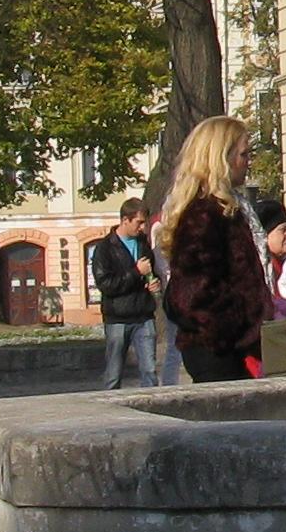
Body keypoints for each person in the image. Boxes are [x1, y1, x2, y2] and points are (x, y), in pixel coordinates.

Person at [159, 116, 270, 381]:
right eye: (244, 154)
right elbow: (194, 294)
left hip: (234, 347)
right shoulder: (204, 214)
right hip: (219, 352)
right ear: (222, 158)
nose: (248, 161)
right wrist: (237, 329)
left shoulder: (229, 207)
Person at [88, 200, 160, 391]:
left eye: (145, 223)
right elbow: (106, 285)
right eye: (139, 222)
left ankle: (153, 409)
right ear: (125, 220)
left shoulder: (143, 244)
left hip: (144, 315)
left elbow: (150, 272)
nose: (143, 228)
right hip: (118, 318)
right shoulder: (105, 248)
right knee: (114, 373)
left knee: (150, 371)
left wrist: (153, 283)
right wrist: (136, 272)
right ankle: (110, 411)